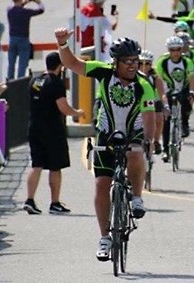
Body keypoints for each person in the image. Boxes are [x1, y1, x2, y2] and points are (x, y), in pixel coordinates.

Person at [55, 27, 155, 261]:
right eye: (127, 61)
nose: (132, 65)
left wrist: (148, 141)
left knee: (136, 153)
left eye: (135, 61)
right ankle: (104, 237)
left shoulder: (144, 85)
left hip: (133, 132)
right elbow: (73, 64)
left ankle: (137, 196)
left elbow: (150, 118)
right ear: (115, 62)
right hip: (107, 134)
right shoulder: (104, 73)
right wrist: (62, 44)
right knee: (102, 184)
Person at [23, 52, 85, 215]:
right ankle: (55, 202)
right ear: (61, 66)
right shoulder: (55, 83)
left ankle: (30, 199)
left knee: (36, 164)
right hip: (52, 129)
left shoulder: (35, 80)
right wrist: (77, 113)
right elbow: (63, 107)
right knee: (55, 167)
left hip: (34, 126)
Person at [155, 36, 194, 162]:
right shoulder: (162, 62)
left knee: (186, 101)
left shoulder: (186, 61)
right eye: (172, 50)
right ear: (169, 50)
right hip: (167, 90)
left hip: (183, 89)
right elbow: (158, 78)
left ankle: (184, 124)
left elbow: (192, 78)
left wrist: (192, 91)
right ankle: (165, 150)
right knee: (166, 120)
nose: (175, 53)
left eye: (178, 50)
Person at [138, 50, 169, 154]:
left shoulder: (155, 77)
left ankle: (156, 141)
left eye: (147, 63)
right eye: (141, 63)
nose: (144, 66)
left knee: (159, 118)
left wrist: (165, 106)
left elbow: (162, 93)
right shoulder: (133, 75)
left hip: (153, 100)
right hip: (138, 100)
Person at [7, 0, 45, 80]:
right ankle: (19, 82)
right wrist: (38, 2)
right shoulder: (25, 12)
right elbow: (41, 10)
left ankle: (9, 81)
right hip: (23, 39)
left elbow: (15, 5)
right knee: (22, 64)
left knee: (11, 63)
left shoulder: (9, 11)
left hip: (12, 39)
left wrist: (23, 3)